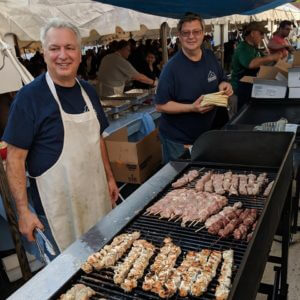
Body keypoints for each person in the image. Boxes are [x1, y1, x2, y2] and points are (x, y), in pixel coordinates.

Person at [2, 19, 119, 258]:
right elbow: (14, 160)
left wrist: (109, 178)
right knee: (71, 271)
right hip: (56, 207)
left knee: (104, 257)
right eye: (54, 48)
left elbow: (98, 140)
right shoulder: (29, 98)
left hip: (95, 195)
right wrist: (23, 212)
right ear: (44, 53)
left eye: (69, 47)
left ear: (79, 52)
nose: (62, 55)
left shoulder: (88, 91)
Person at [155, 13, 233, 164]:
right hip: (179, 140)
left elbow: (221, 78)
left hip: (205, 134)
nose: (191, 37)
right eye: (186, 33)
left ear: (203, 33)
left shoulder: (210, 57)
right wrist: (191, 107)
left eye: (196, 32)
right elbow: (160, 105)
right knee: (178, 179)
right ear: (179, 36)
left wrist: (225, 84)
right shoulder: (171, 69)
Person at [231, 22, 283, 111]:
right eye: (261, 33)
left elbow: (265, 62)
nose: (262, 37)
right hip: (240, 91)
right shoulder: (242, 48)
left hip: (251, 88)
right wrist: (271, 57)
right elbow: (251, 64)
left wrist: (275, 58)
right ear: (252, 33)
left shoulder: (255, 49)